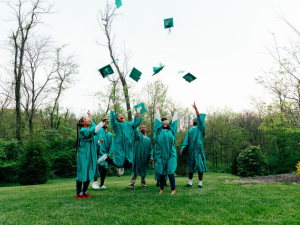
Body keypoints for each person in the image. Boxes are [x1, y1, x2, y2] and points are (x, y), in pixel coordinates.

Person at [97, 103, 142, 175]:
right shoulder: (116, 125)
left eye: (121, 115)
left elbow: (137, 122)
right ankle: (105, 158)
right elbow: (112, 120)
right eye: (118, 116)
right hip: (119, 146)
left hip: (128, 147)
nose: (120, 116)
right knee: (118, 163)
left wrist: (138, 111)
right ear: (117, 119)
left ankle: (121, 165)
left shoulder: (129, 124)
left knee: (131, 163)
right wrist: (111, 108)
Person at [76, 110, 108, 199]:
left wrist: (99, 142)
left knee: (89, 172)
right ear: (82, 123)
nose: (88, 120)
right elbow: (94, 131)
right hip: (83, 154)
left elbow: (94, 132)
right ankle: (79, 193)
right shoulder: (83, 130)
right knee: (83, 172)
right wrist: (102, 122)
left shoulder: (88, 130)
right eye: (86, 119)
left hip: (90, 154)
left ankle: (85, 192)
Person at [180, 102, 207, 188]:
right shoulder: (189, 131)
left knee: (200, 166)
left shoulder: (201, 128)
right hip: (191, 150)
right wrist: (182, 148)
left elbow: (199, 118)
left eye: (196, 119)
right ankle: (190, 183)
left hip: (198, 150)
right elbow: (186, 141)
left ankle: (200, 184)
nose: (194, 120)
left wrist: (196, 109)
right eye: (193, 119)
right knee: (190, 166)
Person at [154, 103, 178, 195]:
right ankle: (162, 188)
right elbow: (156, 122)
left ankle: (173, 189)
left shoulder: (172, 131)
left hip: (171, 154)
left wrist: (175, 112)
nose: (165, 122)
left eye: (167, 121)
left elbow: (175, 122)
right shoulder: (158, 131)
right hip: (160, 154)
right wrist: (157, 109)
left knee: (170, 170)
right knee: (161, 171)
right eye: (163, 121)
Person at [92, 122, 114, 190]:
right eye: (103, 123)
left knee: (104, 168)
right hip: (99, 152)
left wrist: (109, 154)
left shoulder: (110, 135)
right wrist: (90, 117)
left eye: (106, 123)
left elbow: (111, 145)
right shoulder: (99, 131)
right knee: (98, 166)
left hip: (106, 154)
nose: (105, 124)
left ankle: (102, 184)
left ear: (107, 125)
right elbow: (93, 126)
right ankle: (95, 182)